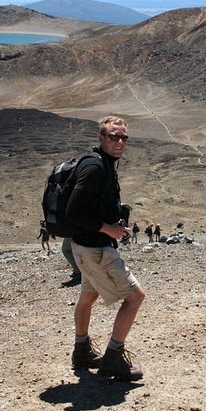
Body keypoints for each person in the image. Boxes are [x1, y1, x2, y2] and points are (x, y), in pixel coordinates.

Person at [66, 116, 145, 381]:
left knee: (88, 297)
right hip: (95, 249)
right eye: (113, 136)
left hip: (86, 248)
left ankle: (81, 351)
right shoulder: (95, 167)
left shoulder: (104, 164)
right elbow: (73, 212)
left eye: (123, 137)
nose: (119, 142)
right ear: (101, 138)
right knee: (135, 297)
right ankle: (113, 357)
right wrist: (106, 229)